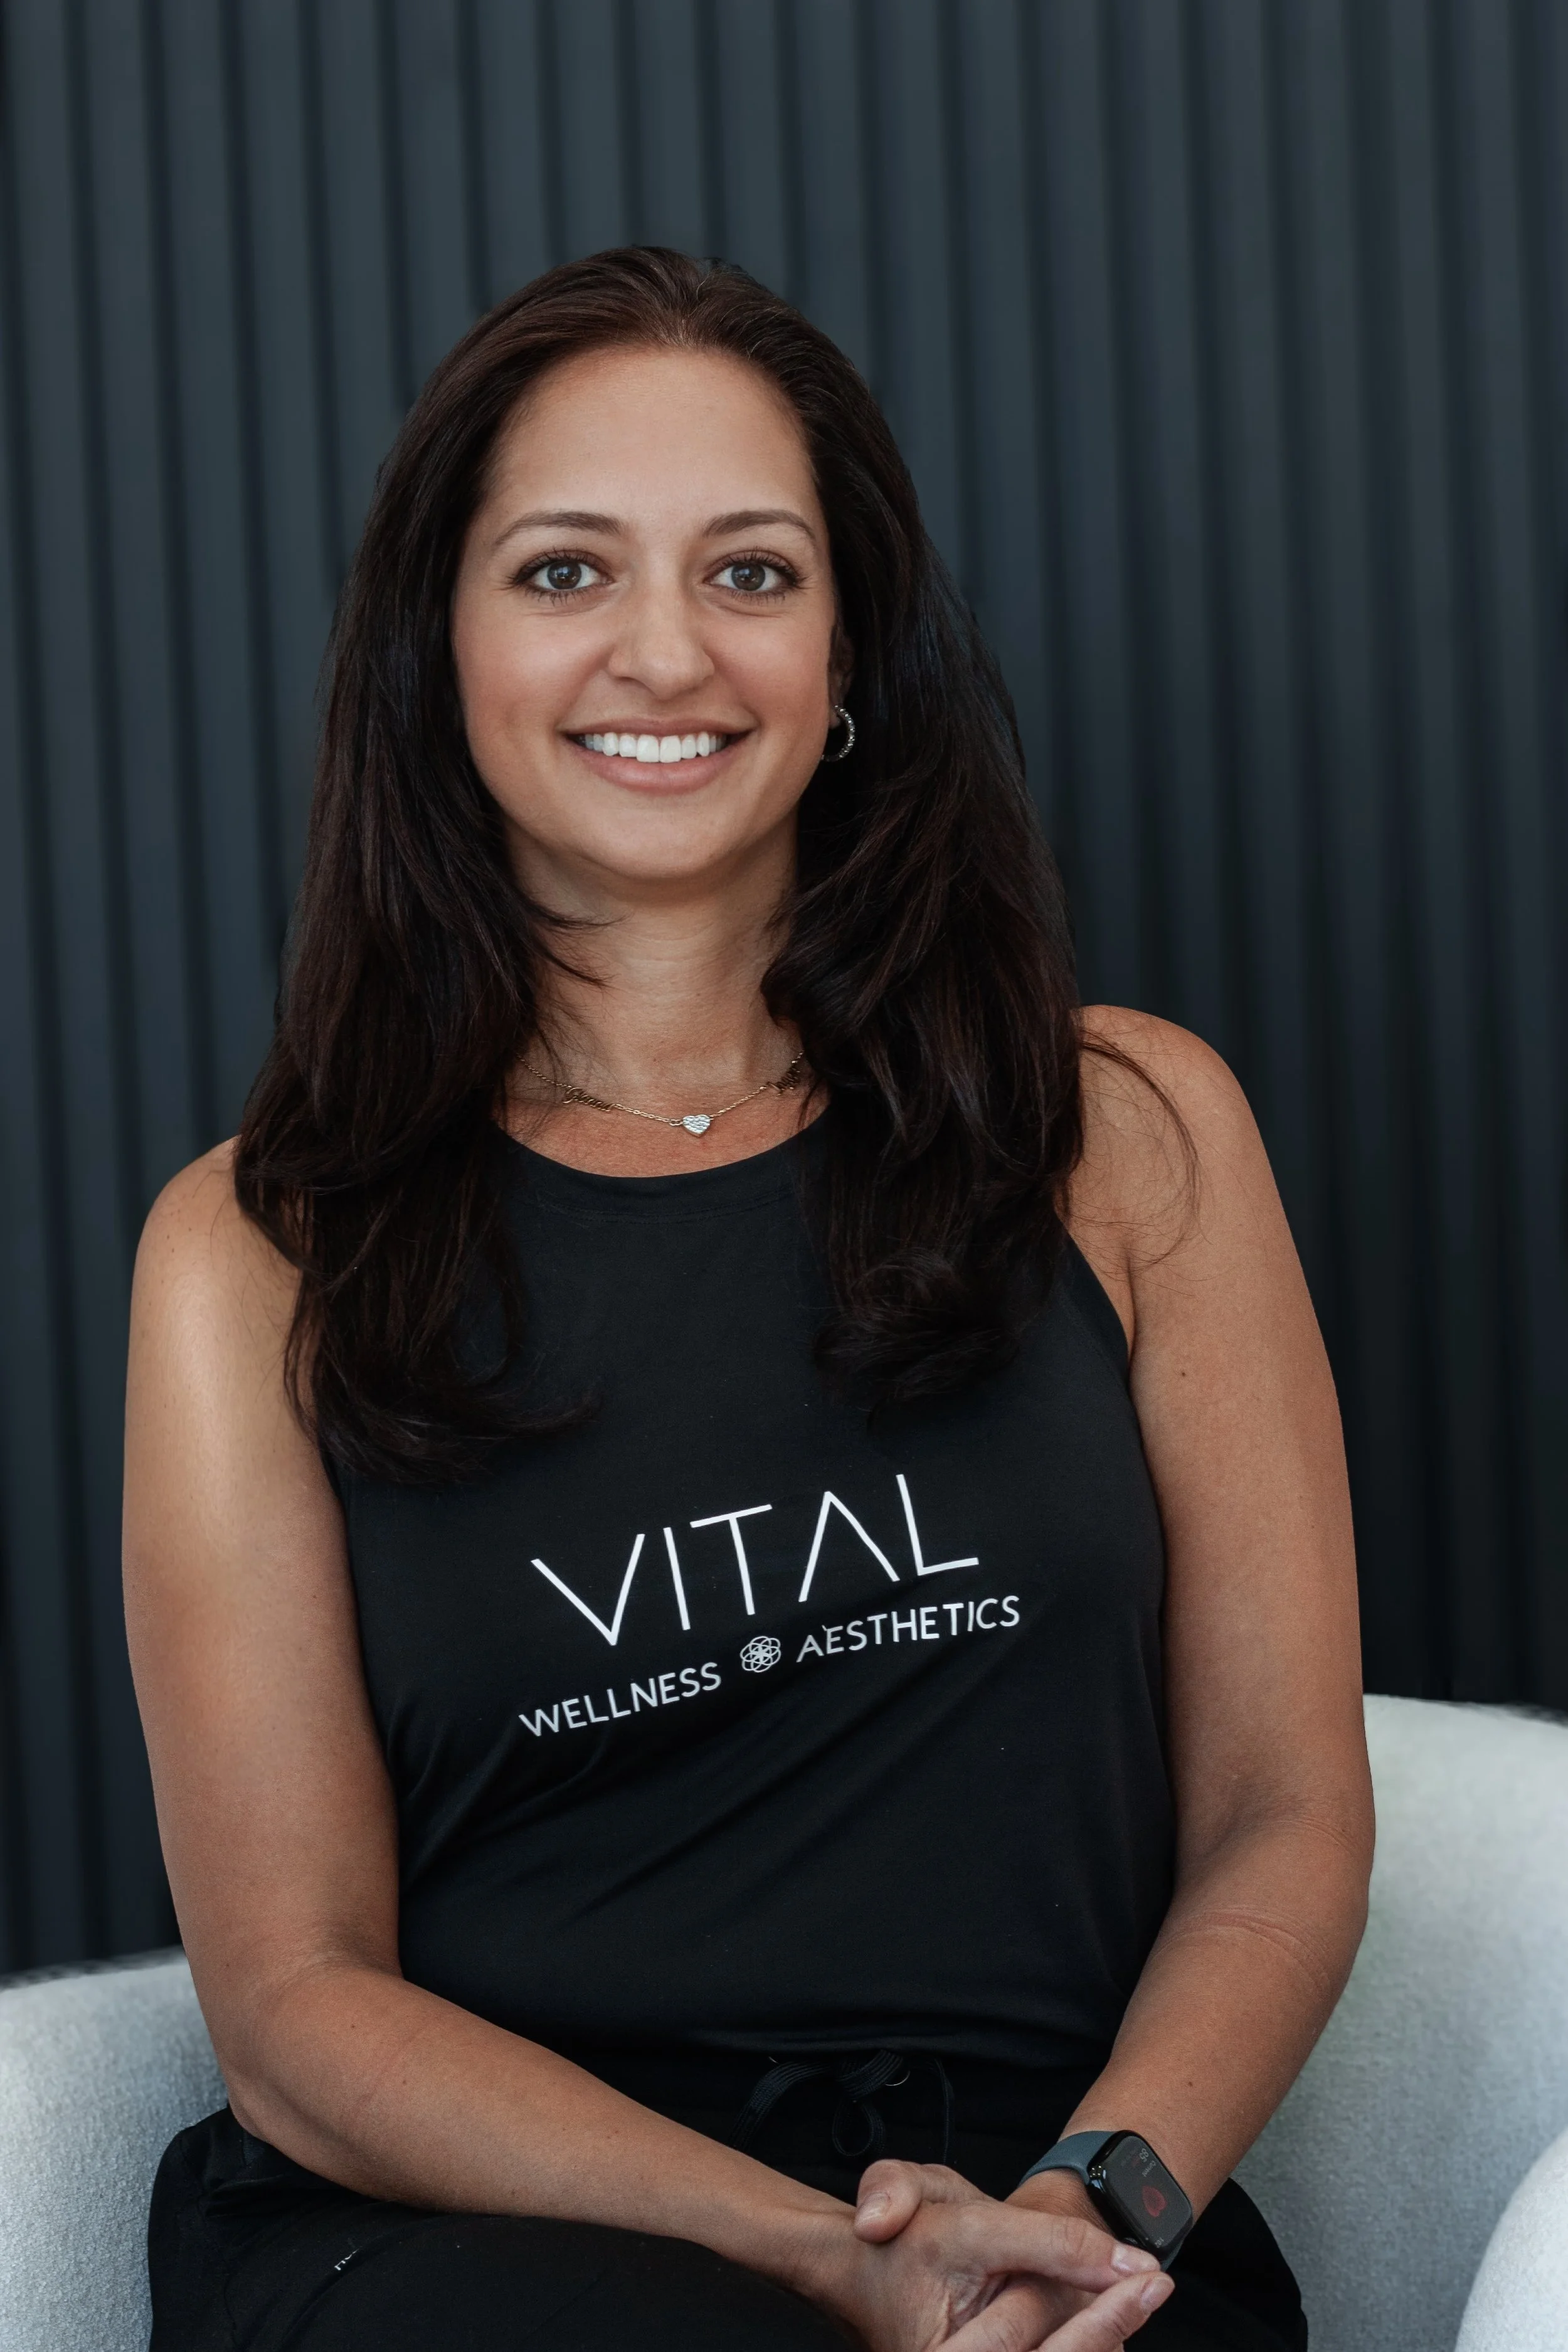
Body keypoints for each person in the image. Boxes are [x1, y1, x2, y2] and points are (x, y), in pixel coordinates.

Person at [124, 248, 1372, 2352]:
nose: (663, 650)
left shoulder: (1126, 1132)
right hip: (491, 2251)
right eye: (560, 572)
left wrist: (1091, 2202)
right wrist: (819, 2256)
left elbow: (1278, 1806)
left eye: (753, 571)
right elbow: (298, 2010)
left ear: (848, 642)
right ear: (436, 647)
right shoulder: (257, 1249)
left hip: (1056, 2230)